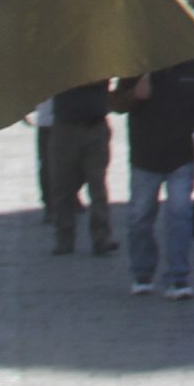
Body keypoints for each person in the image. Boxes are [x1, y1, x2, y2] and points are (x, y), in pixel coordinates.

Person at [117, 53, 194, 298]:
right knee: (140, 215)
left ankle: (178, 278)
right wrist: (133, 96)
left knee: (180, 214)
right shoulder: (137, 63)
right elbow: (116, 104)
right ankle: (142, 273)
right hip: (145, 155)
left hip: (183, 155)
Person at [44, 79, 117, 256]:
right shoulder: (60, 56)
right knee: (63, 185)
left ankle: (101, 238)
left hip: (95, 124)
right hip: (66, 125)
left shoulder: (99, 57)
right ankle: (64, 237)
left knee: (97, 184)